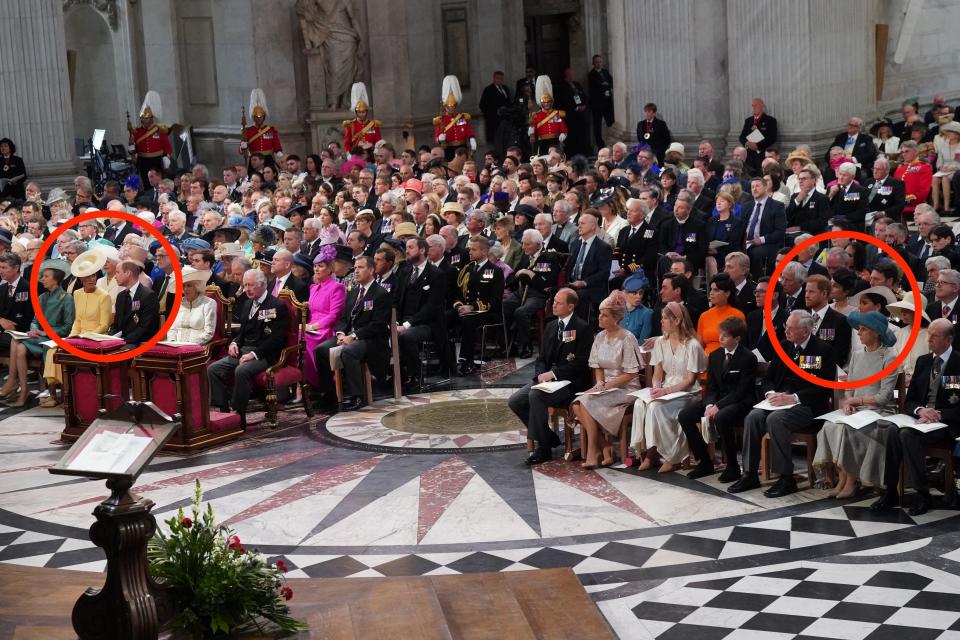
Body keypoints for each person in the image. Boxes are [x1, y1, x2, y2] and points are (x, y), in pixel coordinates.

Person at [729, 310, 836, 498]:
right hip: (778, 401)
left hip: (807, 406)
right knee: (753, 417)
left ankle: (786, 477)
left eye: (791, 329)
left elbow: (823, 388)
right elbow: (768, 379)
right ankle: (750, 473)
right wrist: (771, 394)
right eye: (786, 327)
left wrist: (793, 398)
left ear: (805, 331)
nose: (786, 332)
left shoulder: (822, 350)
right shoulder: (783, 347)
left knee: (776, 420)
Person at [873, 319, 960, 516]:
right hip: (920, 420)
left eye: (934, 336)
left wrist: (937, 414)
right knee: (893, 431)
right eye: (928, 334)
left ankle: (922, 493)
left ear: (949, 339)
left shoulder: (958, 363)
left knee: (907, 436)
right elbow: (910, 401)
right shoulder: (923, 361)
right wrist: (921, 410)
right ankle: (890, 491)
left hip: (947, 423)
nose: (929, 340)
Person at [814, 310, 899, 498]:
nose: (858, 333)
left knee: (849, 429)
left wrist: (857, 401)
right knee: (830, 426)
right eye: (858, 329)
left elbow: (884, 396)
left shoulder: (889, 357)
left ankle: (851, 481)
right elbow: (850, 387)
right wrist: (847, 404)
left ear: (876, 332)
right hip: (856, 409)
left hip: (879, 411)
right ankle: (842, 478)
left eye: (863, 329)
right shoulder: (858, 354)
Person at [508, 288, 594, 464]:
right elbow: (541, 358)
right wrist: (541, 374)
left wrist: (553, 374)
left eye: (559, 302)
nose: (553, 304)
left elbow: (580, 364)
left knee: (535, 396)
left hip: (571, 382)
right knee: (515, 401)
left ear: (570, 306)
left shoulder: (582, 328)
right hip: (548, 381)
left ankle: (544, 449)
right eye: (554, 300)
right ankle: (549, 437)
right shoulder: (551, 326)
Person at [208, 269, 290, 429]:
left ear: (263, 285)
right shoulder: (246, 303)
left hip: (265, 354)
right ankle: (224, 411)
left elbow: (277, 339)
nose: (247, 289)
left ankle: (240, 414)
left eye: (251, 285)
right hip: (244, 349)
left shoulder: (276, 306)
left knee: (242, 370)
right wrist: (234, 344)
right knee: (213, 369)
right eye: (245, 285)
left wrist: (254, 354)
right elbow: (242, 332)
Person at [678, 316, 758, 480]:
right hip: (717, 400)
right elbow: (712, 387)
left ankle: (732, 466)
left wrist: (718, 406)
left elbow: (741, 392)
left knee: (721, 417)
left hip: (740, 401)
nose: (720, 338)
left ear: (737, 338)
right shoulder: (714, 356)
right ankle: (705, 462)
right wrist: (709, 405)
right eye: (720, 334)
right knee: (685, 415)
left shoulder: (748, 357)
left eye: (725, 336)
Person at [631, 301, 706, 472]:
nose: (661, 322)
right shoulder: (661, 343)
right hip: (667, 390)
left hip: (688, 393)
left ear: (677, 321)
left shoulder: (692, 345)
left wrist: (666, 391)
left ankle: (671, 456)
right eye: (662, 318)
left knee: (656, 408)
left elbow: (690, 380)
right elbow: (658, 372)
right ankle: (650, 451)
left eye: (665, 318)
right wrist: (655, 388)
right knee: (640, 403)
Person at [571, 291, 643, 468]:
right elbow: (598, 366)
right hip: (606, 387)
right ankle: (604, 447)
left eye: (604, 315)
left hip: (626, 388)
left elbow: (631, 374)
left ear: (616, 318)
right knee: (576, 404)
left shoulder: (627, 338)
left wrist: (607, 386)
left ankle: (593, 451)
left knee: (584, 403)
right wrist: (599, 384)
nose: (600, 318)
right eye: (600, 314)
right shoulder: (600, 337)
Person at [314, 256, 391, 411]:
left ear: (371, 270)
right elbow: (342, 318)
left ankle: (357, 395)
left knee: (349, 351)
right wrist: (341, 334)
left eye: (360, 268)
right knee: (321, 349)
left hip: (370, 339)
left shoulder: (381, 293)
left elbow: (377, 325)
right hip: (348, 335)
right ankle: (328, 394)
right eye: (355, 268)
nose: (356, 271)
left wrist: (353, 336)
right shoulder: (352, 292)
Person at [40, 251, 113, 408]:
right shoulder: (77, 294)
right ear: (80, 278)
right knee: (54, 351)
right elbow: (77, 321)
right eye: (87, 277)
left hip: (97, 338)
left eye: (93, 276)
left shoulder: (104, 296)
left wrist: (86, 337)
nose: (91, 279)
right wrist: (72, 338)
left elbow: (104, 325)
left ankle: (76, 395)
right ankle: (60, 393)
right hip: (79, 336)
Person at [2, 260, 73, 408]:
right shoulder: (42, 297)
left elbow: (67, 327)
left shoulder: (66, 298)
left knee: (17, 345)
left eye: (46, 276)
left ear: (56, 279)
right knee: (17, 344)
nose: (42, 279)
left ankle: (21, 390)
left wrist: (45, 331)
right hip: (39, 336)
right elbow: (35, 319)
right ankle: (23, 389)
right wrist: (34, 329)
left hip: (54, 338)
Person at [395, 237, 445, 390]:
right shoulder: (404, 272)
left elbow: (431, 308)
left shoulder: (436, 274)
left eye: (411, 247)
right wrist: (395, 321)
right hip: (403, 320)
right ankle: (395, 374)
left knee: (406, 336)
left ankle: (416, 374)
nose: (407, 251)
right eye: (406, 247)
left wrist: (407, 324)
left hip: (427, 323)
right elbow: (397, 300)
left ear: (422, 250)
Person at [503, 229, 562, 359]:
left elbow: (544, 285)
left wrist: (530, 274)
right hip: (521, 291)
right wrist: (523, 275)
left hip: (538, 295)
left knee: (521, 312)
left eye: (527, 244)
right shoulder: (526, 256)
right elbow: (513, 276)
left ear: (538, 244)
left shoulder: (548, 258)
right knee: (504, 304)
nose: (523, 247)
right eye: (523, 243)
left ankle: (525, 347)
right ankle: (507, 345)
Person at [454, 236, 504, 375]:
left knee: (467, 320)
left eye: (473, 249)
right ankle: (446, 361)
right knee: (442, 317)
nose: (470, 252)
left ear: (484, 251)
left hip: (486, 312)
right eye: (470, 248)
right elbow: (457, 293)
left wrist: (472, 307)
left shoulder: (495, 271)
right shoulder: (467, 269)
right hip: (465, 309)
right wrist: (459, 306)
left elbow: (495, 300)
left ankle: (466, 361)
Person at [302, 245, 347, 398]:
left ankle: (325, 387)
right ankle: (311, 385)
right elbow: (312, 312)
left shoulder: (337, 287)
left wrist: (313, 326)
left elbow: (334, 315)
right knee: (298, 336)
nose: (317, 269)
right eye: (315, 266)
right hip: (312, 326)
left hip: (327, 329)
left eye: (321, 266)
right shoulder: (313, 288)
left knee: (308, 339)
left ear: (329, 269)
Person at [565, 210, 613, 319]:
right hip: (573, 284)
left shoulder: (603, 248)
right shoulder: (575, 244)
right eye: (578, 223)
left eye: (582, 223)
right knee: (559, 293)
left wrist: (584, 283)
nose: (579, 226)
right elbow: (569, 267)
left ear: (592, 226)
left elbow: (604, 273)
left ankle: (580, 328)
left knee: (577, 296)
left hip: (592, 288)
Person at [743, 176, 787, 278]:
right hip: (745, 242)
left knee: (754, 254)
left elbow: (780, 232)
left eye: (757, 186)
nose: (754, 189)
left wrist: (761, 240)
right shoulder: (746, 206)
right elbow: (739, 227)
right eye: (752, 187)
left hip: (766, 243)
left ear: (766, 187)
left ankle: (757, 281)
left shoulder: (777, 206)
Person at [109, 259, 161, 346]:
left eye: (118, 272)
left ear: (128, 273)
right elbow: (116, 325)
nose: (115, 276)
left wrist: (123, 341)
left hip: (139, 342)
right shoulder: (121, 296)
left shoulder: (148, 296)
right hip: (122, 341)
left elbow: (145, 328)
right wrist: (110, 338)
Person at [127, 90, 172, 182]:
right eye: (142, 118)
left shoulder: (159, 130)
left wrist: (166, 157)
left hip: (157, 161)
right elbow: (132, 151)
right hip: (143, 161)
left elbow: (167, 147)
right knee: (146, 182)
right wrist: (131, 144)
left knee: (159, 182)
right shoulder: (137, 132)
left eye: (146, 118)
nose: (143, 120)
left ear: (152, 119)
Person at [697, 274, 745, 358]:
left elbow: (740, 346)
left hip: (727, 362)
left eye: (716, 290)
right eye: (711, 289)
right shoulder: (704, 316)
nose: (711, 293)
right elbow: (699, 346)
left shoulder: (737, 315)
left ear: (727, 293)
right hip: (705, 363)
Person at [165, 267, 216, 344]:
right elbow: (172, 328)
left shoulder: (208, 303)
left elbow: (209, 333)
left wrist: (188, 344)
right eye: (183, 286)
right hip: (175, 346)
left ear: (197, 286)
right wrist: (172, 342)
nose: (185, 289)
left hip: (196, 347)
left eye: (189, 286)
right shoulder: (178, 303)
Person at [888, 294, 931, 383]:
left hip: (921, 383)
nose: (902, 314)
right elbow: (895, 357)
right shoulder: (901, 332)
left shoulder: (929, 334)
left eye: (907, 311)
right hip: (900, 382)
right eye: (902, 310)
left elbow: (931, 363)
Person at [434, 75, 477, 161]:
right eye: (449, 107)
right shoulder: (441, 120)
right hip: (449, 149)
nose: (451, 108)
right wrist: (439, 138)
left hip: (462, 147)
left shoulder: (462, 117)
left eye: (453, 106)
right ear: (445, 107)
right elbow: (437, 136)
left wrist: (472, 138)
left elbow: (467, 129)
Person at [0, 252, 34, 358]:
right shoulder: (2, 288)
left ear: (16, 268)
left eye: (4, 267)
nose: (0, 271)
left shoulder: (28, 288)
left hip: (20, 332)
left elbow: (30, 316)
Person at [528, 76, 568, 156]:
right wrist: (531, 134)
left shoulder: (557, 114)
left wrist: (563, 133)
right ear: (541, 103)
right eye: (544, 102)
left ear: (551, 102)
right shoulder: (536, 115)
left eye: (548, 102)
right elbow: (533, 127)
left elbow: (562, 126)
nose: (546, 104)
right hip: (542, 142)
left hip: (555, 140)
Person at [738, 98, 778, 176]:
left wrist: (758, 145)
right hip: (749, 156)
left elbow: (772, 137)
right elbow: (742, 137)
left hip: (762, 155)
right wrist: (747, 143)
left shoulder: (770, 120)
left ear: (762, 106)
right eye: (752, 106)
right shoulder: (748, 121)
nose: (754, 107)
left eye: (756, 105)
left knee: (762, 175)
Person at [341, 82, 382, 155]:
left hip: (371, 155)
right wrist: (349, 155)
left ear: (366, 112)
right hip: (356, 155)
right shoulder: (350, 125)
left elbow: (378, 142)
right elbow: (347, 144)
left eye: (363, 112)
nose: (361, 114)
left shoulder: (373, 125)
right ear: (356, 112)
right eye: (359, 112)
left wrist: (374, 150)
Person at [587, 54, 614, 149]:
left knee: (611, 123)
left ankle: (612, 142)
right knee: (597, 125)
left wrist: (606, 85)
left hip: (607, 103)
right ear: (593, 63)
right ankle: (600, 145)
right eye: (597, 62)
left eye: (600, 62)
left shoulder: (605, 72)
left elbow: (611, 83)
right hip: (597, 104)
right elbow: (597, 87)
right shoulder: (591, 74)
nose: (599, 64)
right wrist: (605, 85)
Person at [479, 71, 512, 146]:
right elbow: (482, 105)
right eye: (498, 78)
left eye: (501, 78)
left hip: (505, 119)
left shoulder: (505, 88)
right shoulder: (488, 90)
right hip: (494, 121)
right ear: (494, 79)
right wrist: (492, 114)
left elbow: (509, 102)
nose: (500, 80)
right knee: (496, 142)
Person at [620, 272, 653, 342]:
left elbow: (642, 342)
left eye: (641, 293)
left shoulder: (646, 313)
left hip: (635, 351)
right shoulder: (618, 310)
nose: (638, 296)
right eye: (634, 293)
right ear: (624, 293)